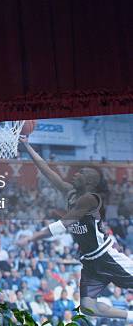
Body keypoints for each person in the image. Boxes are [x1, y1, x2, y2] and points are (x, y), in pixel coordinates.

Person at [17, 138, 133, 323]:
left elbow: (63, 224)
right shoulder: (70, 192)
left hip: (106, 255)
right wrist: (27, 145)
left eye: (80, 173)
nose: (75, 173)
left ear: (88, 181)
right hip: (90, 261)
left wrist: (31, 238)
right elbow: (46, 171)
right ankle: (130, 316)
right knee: (88, 308)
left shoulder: (90, 198)